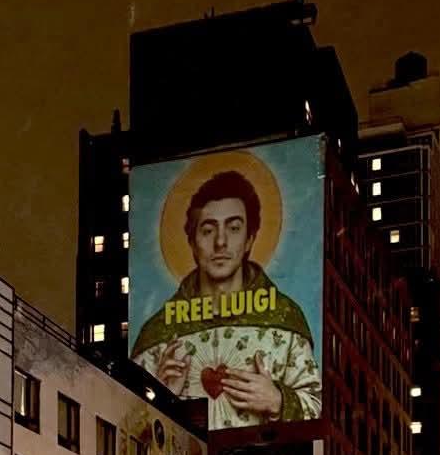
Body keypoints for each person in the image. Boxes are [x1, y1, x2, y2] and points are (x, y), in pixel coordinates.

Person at [131, 170, 321, 429]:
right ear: (192, 241)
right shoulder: (157, 336)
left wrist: (278, 400)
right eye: (208, 230)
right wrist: (162, 398)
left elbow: (319, 410)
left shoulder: (285, 318)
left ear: (249, 239)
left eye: (233, 228)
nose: (220, 242)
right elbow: (129, 421)